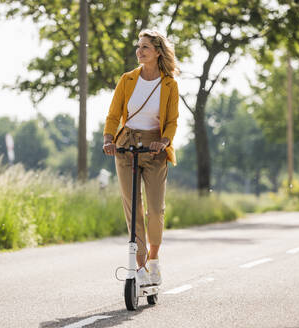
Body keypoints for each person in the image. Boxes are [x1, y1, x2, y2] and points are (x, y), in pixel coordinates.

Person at [103, 29, 179, 286]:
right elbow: (114, 116)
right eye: (138, 46)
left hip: (155, 148)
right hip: (126, 146)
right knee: (132, 208)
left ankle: (154, 261)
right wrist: (108, 140)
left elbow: (172, 121)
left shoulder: (169, 84)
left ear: (158, 52)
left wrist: (164, 142)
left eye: (145, 47)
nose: (139, 51)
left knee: (155, 210)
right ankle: (140, 267)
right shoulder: (127, 80)